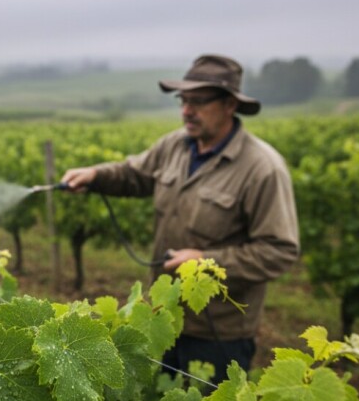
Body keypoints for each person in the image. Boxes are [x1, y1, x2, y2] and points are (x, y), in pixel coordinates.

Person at [61, 54, 299, 383]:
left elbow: (279, 251)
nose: (187, 110)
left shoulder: (262, 168)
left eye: (199, 101)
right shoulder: (175, 145)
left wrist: (206, 260)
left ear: (230, 104)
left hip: (218, 332)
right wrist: (95, 175)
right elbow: (135, 174)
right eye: (183, 100)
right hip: (163, 317)